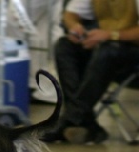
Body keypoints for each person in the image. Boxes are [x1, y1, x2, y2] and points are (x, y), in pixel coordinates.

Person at [43, 0, 139, 144]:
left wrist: (109, 35)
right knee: (64, 46)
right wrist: (75, 27)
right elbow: (70, 13)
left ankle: (69, 119)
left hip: (131, 54)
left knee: (108, 50)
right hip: (106, 50)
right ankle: (87, 123)